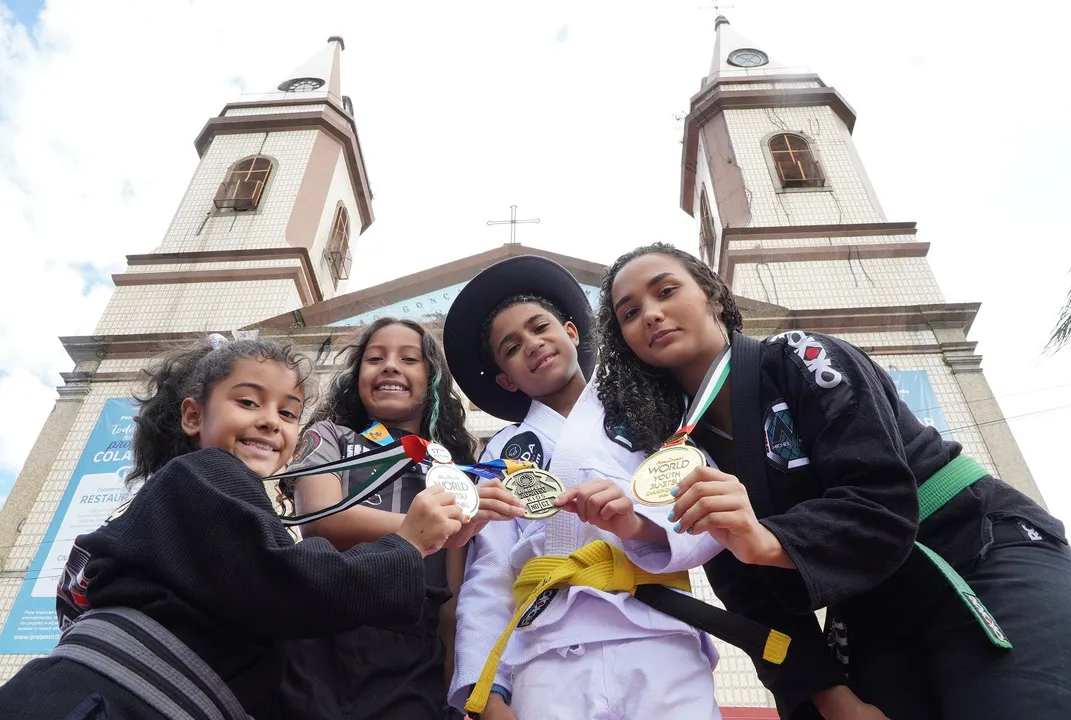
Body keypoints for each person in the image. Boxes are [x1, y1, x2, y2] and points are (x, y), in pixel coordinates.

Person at [595, 241, 1071, 720]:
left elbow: (879, 498)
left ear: (714, 296)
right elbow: (748, 592)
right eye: (630, 313)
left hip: (971, 545)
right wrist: (831, 698)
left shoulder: (803, 356)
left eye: (666, 291)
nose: (651, 314)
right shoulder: (675, 450)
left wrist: (765, 539)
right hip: (869, 605)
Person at [0, 336, 465, 720]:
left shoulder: (198, 498)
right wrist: (406, 545)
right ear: (193, 416)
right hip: (108, 699)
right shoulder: (207, 473)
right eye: (247, 402)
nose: (269, 421)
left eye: (288, 413)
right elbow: (294, 581)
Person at [443, 255, 723, 720]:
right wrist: (486, 687)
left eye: (540, 327)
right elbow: (490, 570)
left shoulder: (650, 410)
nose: (532, 344)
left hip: (658, 631)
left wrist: (638, 524)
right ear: (506, 380)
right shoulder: (502, 452)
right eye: (511, 348)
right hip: (545, 650)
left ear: (572, 333)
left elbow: (707, 506)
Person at [273, 317, 523, 720]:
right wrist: (426, 529)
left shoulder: (456, 470)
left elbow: (452, 603)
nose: (390, 366)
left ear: (433, 379)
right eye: (375, 358)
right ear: (357, 376)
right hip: (323, 635)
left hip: (415, 660)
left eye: (409, 359)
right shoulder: (330, 436)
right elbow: (322, 520)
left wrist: (459, 700)